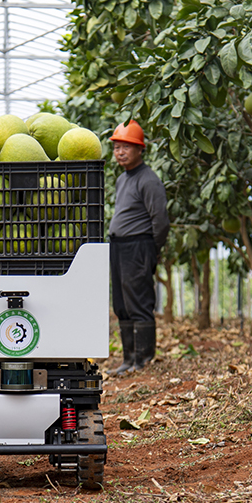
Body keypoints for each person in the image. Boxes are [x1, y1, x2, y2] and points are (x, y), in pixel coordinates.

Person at [107, 120, 169, 374]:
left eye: (126, 147)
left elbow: (161, 220)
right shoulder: (123, 179)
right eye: (116, 147)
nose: (120, 152)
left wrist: (151, 251)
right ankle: (128, 359)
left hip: (138, 246)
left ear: (140, 149)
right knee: (121, 304)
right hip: (119, 247)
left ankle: (143, 360)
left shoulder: (148, 179)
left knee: (139, 302)